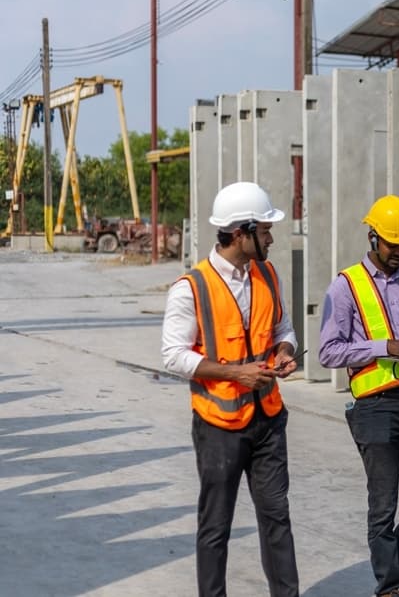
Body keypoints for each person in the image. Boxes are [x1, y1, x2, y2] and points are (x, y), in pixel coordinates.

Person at [161, 181, 300, 597]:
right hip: (219, 426)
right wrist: (234, 374)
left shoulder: (267, 273)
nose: (272, 238)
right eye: (266, 230)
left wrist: (285, 351)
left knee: (277, 518)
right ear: (241, 233)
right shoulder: (192, 287)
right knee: (216, 526)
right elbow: (173, 356)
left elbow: (283, 327)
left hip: (268, 420)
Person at [318, 194, 399, 597]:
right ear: (373, 238)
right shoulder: (345, 286)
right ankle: (389, 586)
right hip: (374, 406)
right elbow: (328, 351)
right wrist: (384, 347)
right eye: (393, 244)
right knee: (383, 504)